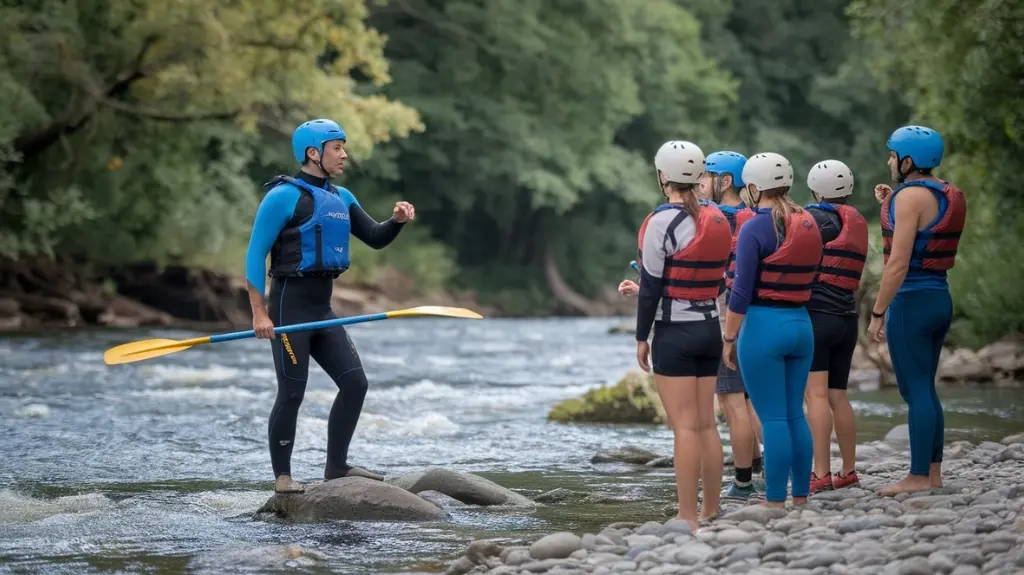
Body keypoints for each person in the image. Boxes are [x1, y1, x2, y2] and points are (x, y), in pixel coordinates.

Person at [245, 118, 416, 494]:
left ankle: (336, 467)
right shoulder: (283, 197)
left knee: (355, 383)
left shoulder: (343, 198)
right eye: (337, 147)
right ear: (313, 153)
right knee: (292, 392)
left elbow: (373, 237)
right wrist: (260, 313)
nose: (344, 154)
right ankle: (283, 478)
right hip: (289, 307)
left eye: (343, 147)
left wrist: (397, 220)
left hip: (322, 308)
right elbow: (255, 255)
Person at [635, 140, 732, 526]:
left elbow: (651, 288)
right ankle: (711, 508)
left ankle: (687, 516)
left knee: (685, 428)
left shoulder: (662, 222)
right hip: (710, 330)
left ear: (664, 177)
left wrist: (642, 338)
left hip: (674, 335)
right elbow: (720, 282)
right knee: (707, 424)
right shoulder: (718, 219)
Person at [867, 125, 967, 497]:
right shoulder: (943, 193)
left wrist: (878, 313)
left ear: (908, 161)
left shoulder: (908, 199)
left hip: (911, 302)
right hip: (939, 298)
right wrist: (891, 201)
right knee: (927, 388)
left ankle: (917, 475)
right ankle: (933, 473)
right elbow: (925, 229)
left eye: (893, 156)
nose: (890, 161)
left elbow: (897, 264)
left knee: (915, 391)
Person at [722, 152, 822, 508]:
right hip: (801, 325)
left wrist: (729, 338)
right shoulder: (808, 221)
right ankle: (801, 496)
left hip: (764, 327)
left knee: (774, 417)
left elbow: (741, 292)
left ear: (751, 188)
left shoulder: (753, 227)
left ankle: (775, 500)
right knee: (796, 413)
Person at [703, 151, 765, 501]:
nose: (699, 184)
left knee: (731, 401)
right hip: (752, 313)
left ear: (725, 181)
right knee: (747, 397)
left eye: (705, 177)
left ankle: (742, 483)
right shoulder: (754, 215)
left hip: (727, 314)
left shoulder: (717, 218)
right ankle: (759, 469)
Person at [803, 160, 867, 494]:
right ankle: (849, 470)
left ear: (815, 189)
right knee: (838, 396)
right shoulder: (854, 221)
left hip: (818, 319)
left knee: (815, 395)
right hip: (847, 320)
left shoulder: (814, 219)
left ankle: (821, 474)